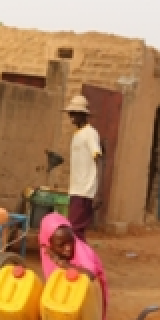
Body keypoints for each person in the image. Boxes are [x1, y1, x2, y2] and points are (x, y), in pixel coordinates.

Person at [64, 94, 103, 239]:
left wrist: (98, 192)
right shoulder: (77, 134)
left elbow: (99, 160)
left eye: (75, 113)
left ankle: (81, 259)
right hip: (76, 189)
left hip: (86, 191)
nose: (71, 116)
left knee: (74, 230)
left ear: (83, 114)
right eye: (71, 112)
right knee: (77, 232)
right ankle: (82, 260)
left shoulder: (90, 133)